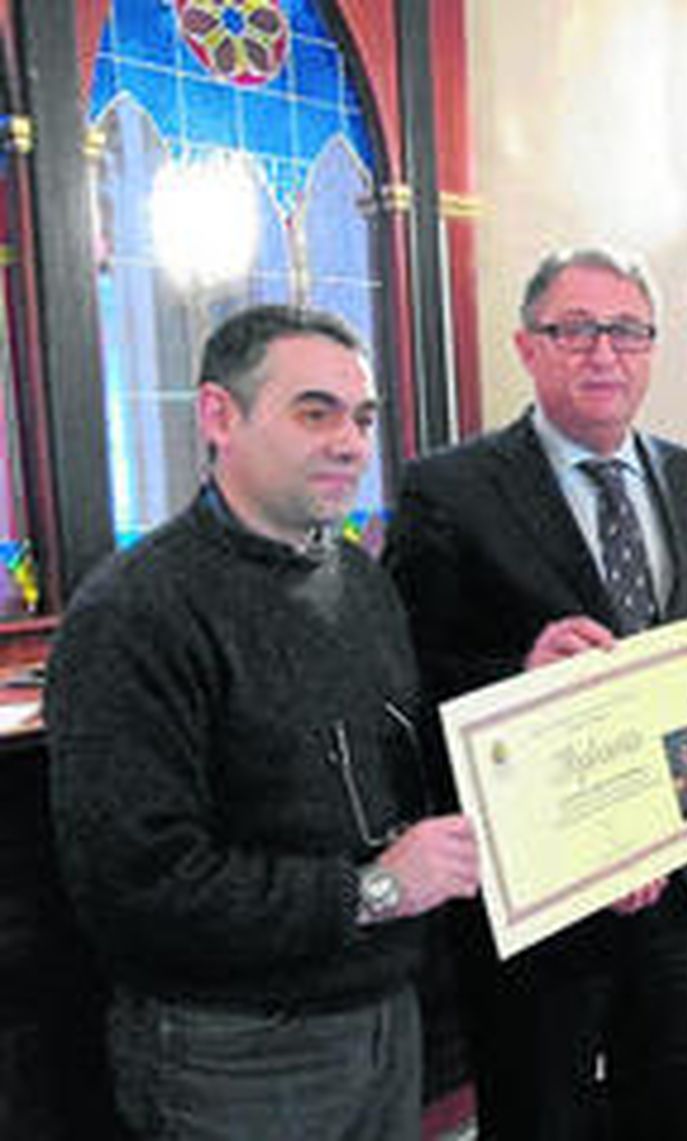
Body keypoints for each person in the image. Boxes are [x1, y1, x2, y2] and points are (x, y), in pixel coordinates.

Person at [46, 305, 481, 1140]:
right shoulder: (133, 614)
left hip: (383, 1016)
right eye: (314, 412)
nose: (351, 443)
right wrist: (378, 890)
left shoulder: (359, 577)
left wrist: (522, 707)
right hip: (236, 1050)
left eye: (361, 418)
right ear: (219, 415)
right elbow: (139, 888)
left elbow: (399, 768)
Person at [383, 247, 687, 1140]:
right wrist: (517, 673)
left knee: (683, 1113)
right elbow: (404, 680)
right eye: (576, 329)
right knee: (539, 1115)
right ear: (526, 345)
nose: (604, 353)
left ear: (652, 347)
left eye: (627, 331)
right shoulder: (449, 490)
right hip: (544, 895)